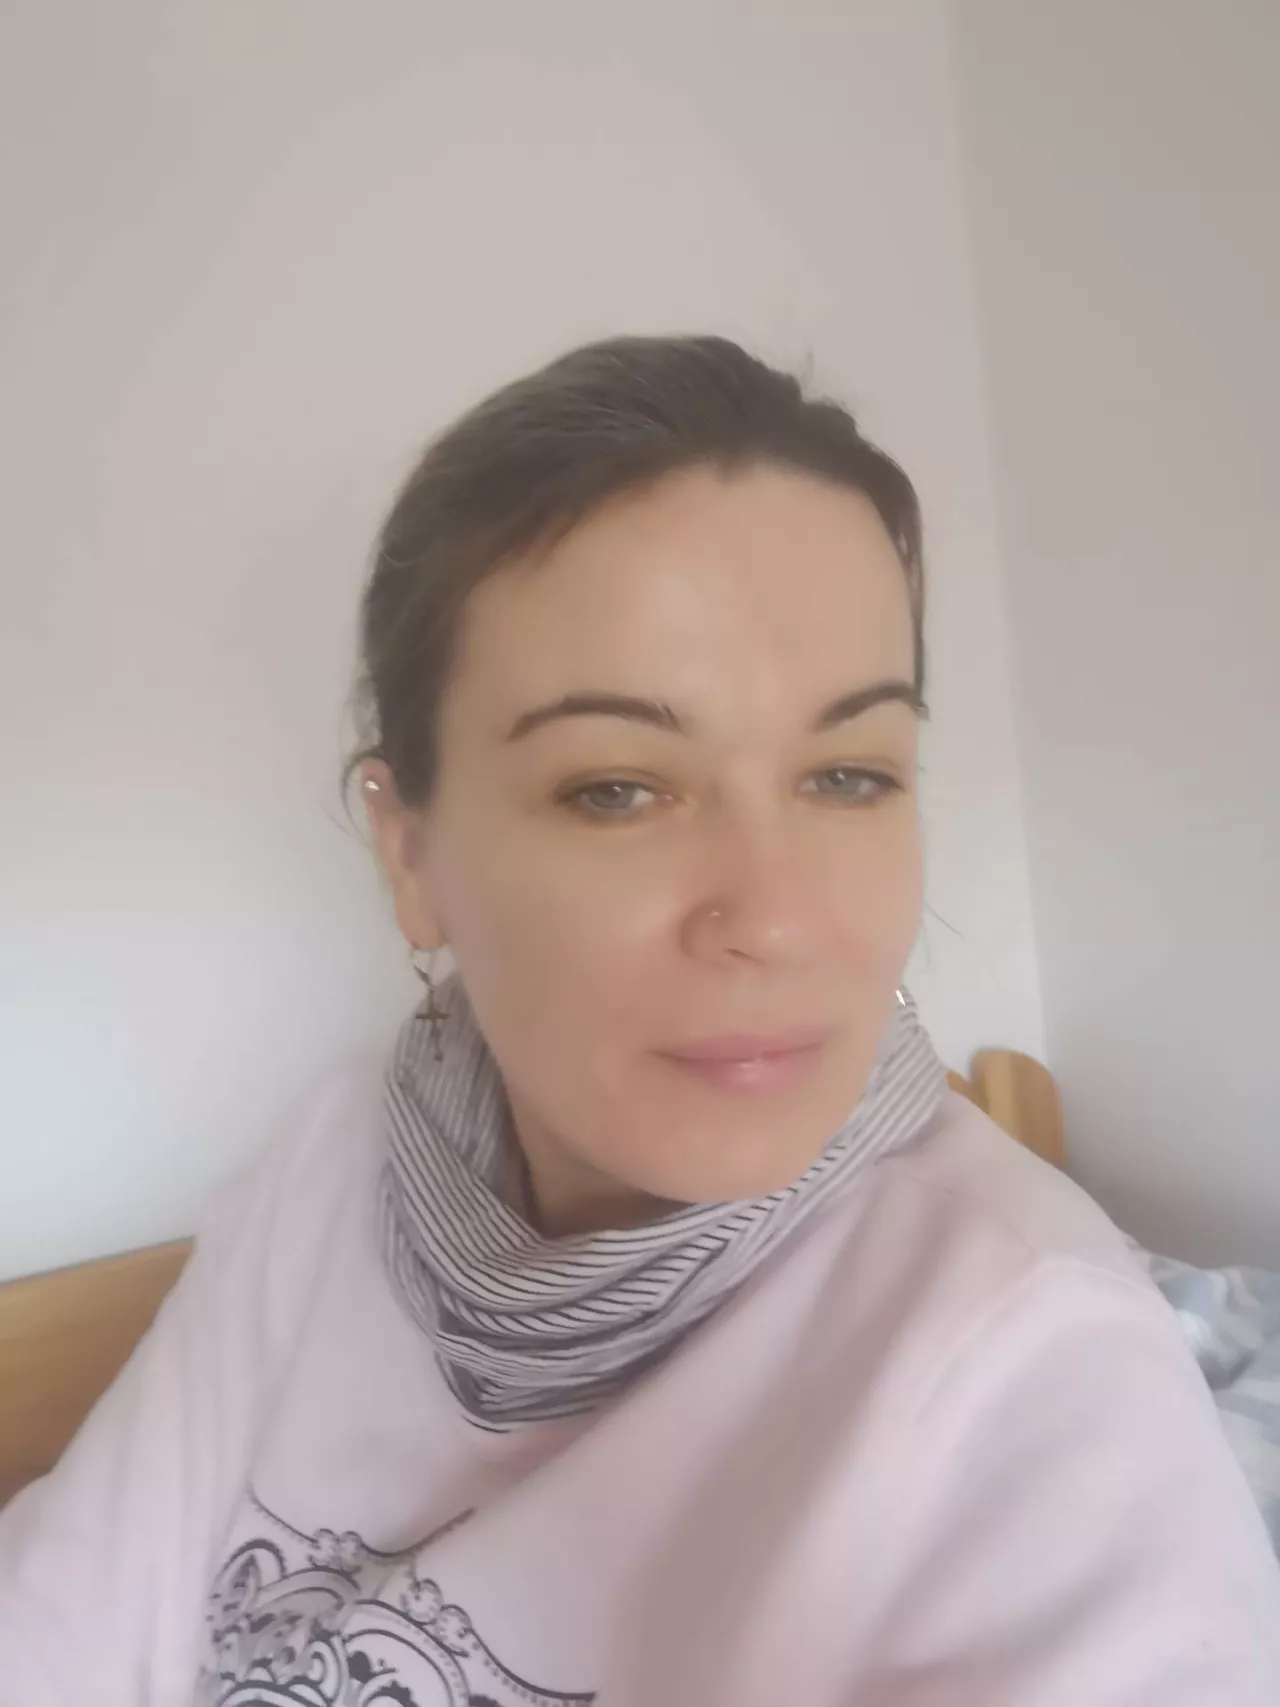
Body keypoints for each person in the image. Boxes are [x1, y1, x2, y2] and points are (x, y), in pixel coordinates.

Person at [1, 335, 1277, 1706]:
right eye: (617, 788)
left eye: (849, 775)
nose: (775, 917)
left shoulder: (1033, 1365)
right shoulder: (342, 1161)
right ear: (411, 852)